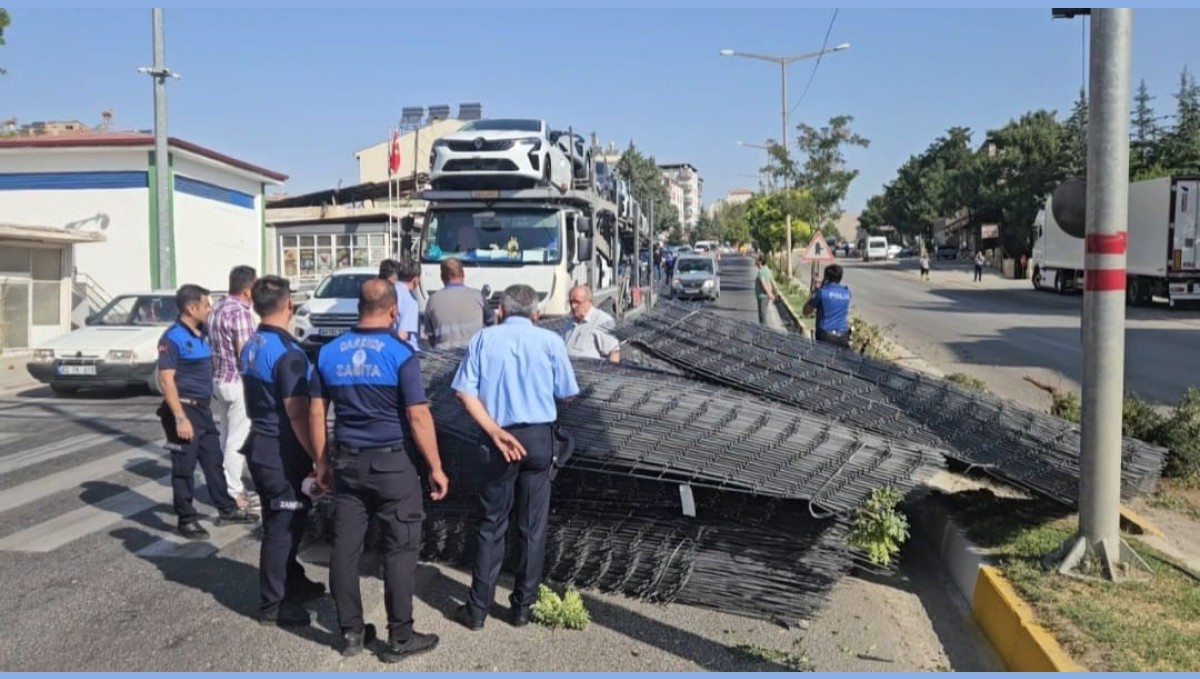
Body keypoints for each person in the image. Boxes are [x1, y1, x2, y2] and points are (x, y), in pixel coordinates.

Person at [309, 278, 448, 662]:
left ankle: (351, 632)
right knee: (400, 549)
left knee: (345, 547)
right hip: (391, 464)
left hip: (347, 463)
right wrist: (436, 467)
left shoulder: (328, 353)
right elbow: (418, 415)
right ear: (392, 311)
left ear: (359, 307)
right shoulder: (399, 354)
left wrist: (321, 462)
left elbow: (317, 410)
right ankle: (400, 637)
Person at [451, 284, 580, 631]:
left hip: (497, 440)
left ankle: (477, 609)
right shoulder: (550, 342)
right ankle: (523, 607)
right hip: (538, 440)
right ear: (536, 314)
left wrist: (493, 431)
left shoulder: (483, 339)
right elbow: (568, 394)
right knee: (531, 527)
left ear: (502, 311)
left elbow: (464, 393)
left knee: (492, 525)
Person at [238, 275, 326, 627]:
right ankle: (273, 604)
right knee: (282, 527)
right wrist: (320, 458)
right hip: (281, 450)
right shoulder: (288, 355)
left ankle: (292, 579)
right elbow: (298, 414)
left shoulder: (253, 343)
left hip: (260, 442)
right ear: (290, 303)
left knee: (286, 520)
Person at [156, 284, 259, 539]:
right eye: (206, 305)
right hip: (183, 410)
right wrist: (180, 418)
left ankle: (226, 508)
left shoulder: (202, 333)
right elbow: (167, 381)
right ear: (191, 308)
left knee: (213, 461)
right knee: (184, 468)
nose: (210, 309)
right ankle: (186, 518)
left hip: (202, 410)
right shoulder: (172, 338)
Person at [209, 265, 260, 511]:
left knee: (226, 436)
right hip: (238, 382)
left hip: (219, 379)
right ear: (248, 290)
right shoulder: (240, 312)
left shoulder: (218, 307)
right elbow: (245, 352)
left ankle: (224, 485)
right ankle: (234, 491)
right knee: (237, 441)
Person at [424, 257, 495, 349]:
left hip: (443, 359)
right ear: (463, 274)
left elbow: (430, 336)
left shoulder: (433, 300)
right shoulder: (478, 296)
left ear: (442, 277)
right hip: (472, 356)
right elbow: (492, 323)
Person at [562, 284, 620, 363]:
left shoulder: (602, 321)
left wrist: (610, 373)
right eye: (571, 302)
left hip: (589, 373)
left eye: (577, 302)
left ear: (589, 302)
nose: (573, 306)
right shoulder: (570, 322)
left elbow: (614, 353)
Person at [802, 264, 853, 349]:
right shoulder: (847, 293)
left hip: (825, 335)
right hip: (843, 335)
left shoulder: (821, 293)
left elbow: (806, 311)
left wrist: (815, 292)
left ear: (826, 277)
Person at [379, 259, 422, 353]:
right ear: (416, 280)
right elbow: (402, 335)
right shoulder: (410, 301)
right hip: (405, 353)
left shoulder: (386, 292)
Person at [754, 256, 779, 325]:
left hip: (762, 296)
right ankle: (763, 332)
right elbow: (772, 281)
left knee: (762, 316)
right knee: (763, 314)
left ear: (760, 262)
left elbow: (763, 283)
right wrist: (775, 292)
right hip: (765, 297)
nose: (755, 261)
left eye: (756, 260)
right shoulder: (767, 269)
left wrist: (770, 294)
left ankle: (764, 333)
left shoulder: (760, 272)